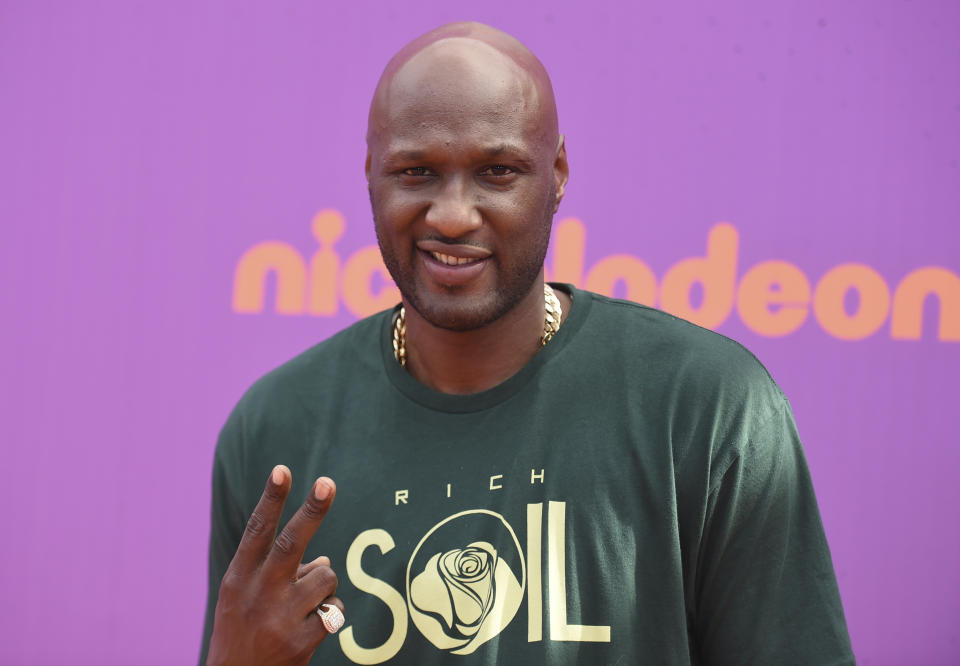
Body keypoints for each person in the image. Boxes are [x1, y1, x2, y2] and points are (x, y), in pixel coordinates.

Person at [201, 21, 854, 666]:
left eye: (497, 171)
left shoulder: (706, 408)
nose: (453, 215)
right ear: (372, 174)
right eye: (417, 171)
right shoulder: (274, 428)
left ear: (558, 173)